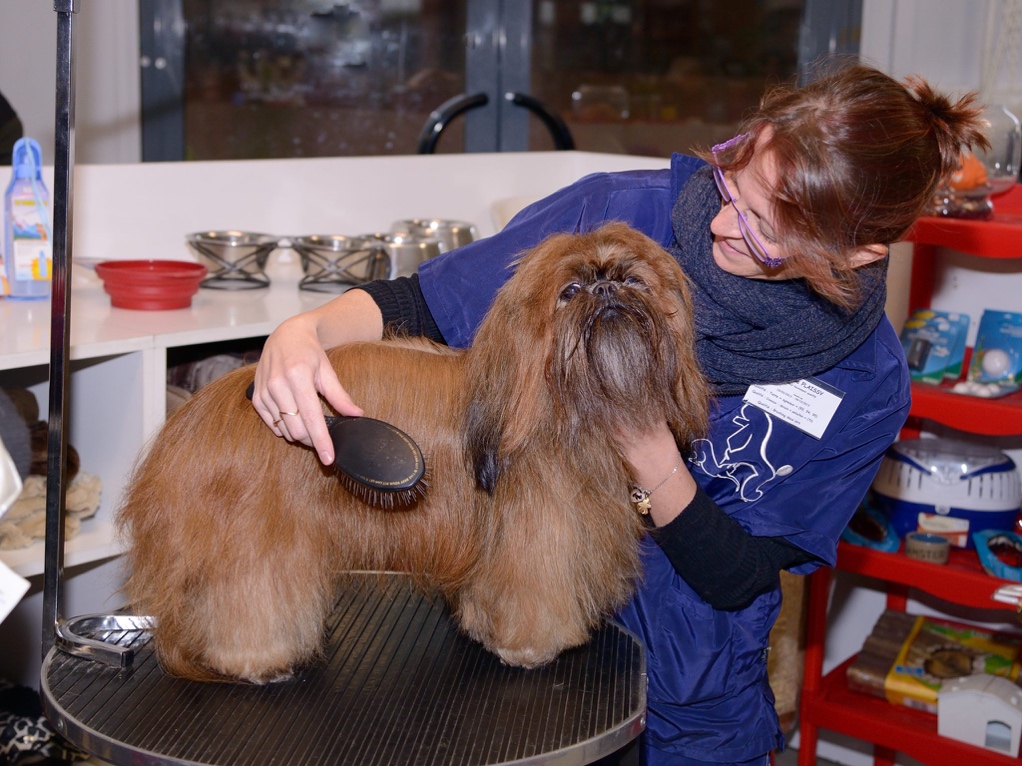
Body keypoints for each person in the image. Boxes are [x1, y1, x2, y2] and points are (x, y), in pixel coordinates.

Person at [251, 63, 988, 765]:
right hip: (526, 616)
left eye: (770, 230)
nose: (727, 228)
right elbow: (423, 305)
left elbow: (743, 577)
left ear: (858, 254)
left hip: (691, 690)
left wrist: (646, 446)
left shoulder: (864, 383)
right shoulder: (615, 210)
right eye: (736, 181)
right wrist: (304, 334)